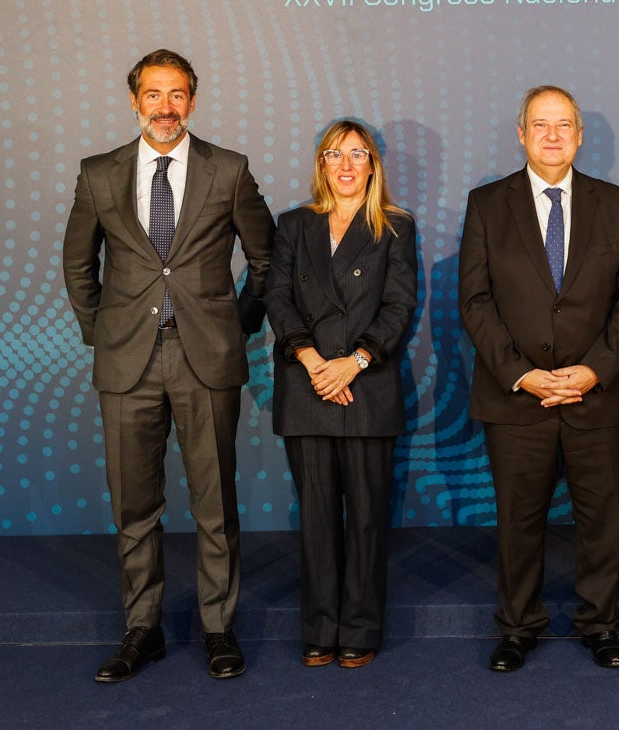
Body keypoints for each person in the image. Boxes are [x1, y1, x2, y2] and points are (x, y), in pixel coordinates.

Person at [62, 48, 275, 682]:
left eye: (177, 94)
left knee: (215, 505)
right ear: (134, 101)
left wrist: (233, 326)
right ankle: (142, 630)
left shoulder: (228, 170)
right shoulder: (99, 173)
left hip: (205, 358)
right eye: (153, 94)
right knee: (134, 506)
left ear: (192, 100)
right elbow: (79, 265)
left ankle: (217, 628)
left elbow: (265, 262)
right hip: (125, 363)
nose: (165, 107)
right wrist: (103, 336)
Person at [458, 86, 619, 671]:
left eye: (563, 125)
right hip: (518, 398)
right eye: (540, 125)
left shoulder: (614, 203)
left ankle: (600, 624)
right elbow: (475, 301)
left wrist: (594, 370)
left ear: (580, 135)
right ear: (521, 134)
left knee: (602, 520)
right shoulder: (487, 204)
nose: (552, 136)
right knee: (518, 521)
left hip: (596, 393)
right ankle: (518, 628)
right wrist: (523, 375)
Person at [264, 121, 418, 669]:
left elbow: (400, 306)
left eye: (358, 154)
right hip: (306, 388)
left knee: (368, 519)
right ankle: (319, 628)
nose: (347, 164)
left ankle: (360, 628)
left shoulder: (395, 227)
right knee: (318, 521)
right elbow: (277, 298)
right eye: (336, 154)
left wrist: (352, 364)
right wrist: (311, 360)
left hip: (367, 386)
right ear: (321, 164)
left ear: (373, 164)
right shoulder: (293, 225)